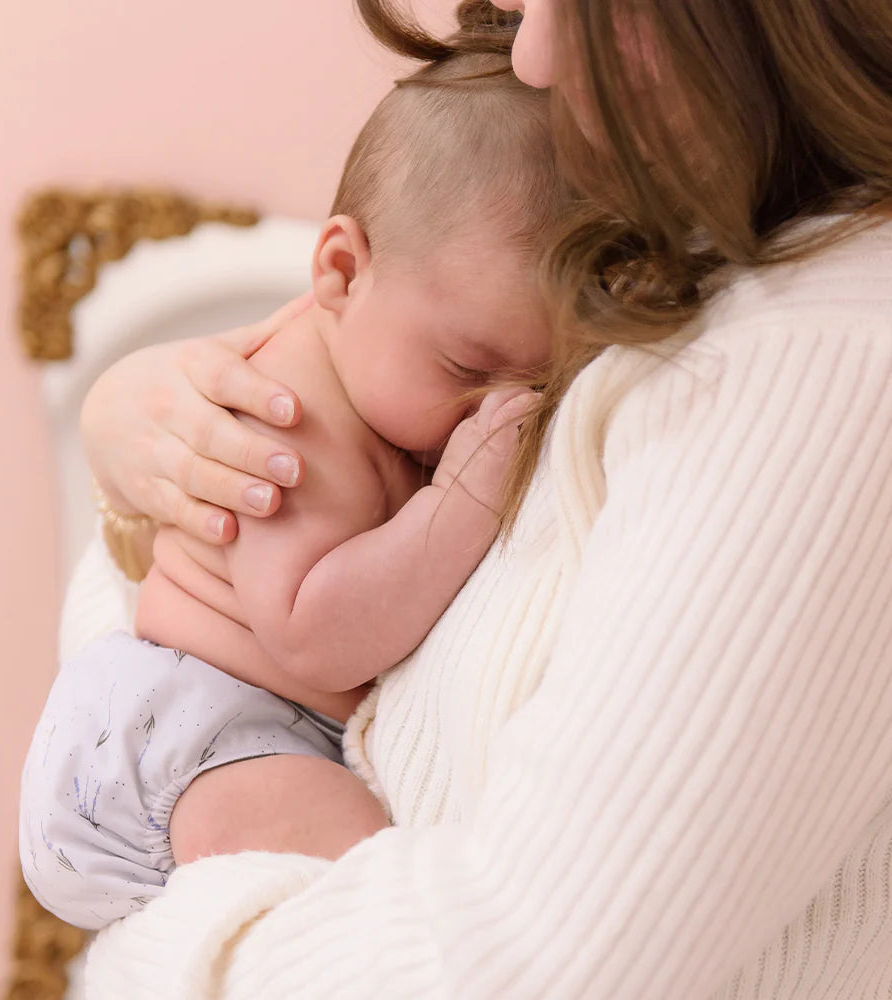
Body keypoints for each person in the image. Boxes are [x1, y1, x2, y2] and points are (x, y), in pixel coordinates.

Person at [51, 0, 892, 996]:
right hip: (202, 728)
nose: (529, 51)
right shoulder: (688, 239)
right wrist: (132, 438)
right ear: (339, 272)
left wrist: (146, 953)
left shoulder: (815, 360)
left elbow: (513, 963)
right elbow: (291, 621)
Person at [20, 45, 558, 928]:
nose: (494, 414)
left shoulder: (393, 388)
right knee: (371, 890)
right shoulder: (284, 416)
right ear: (340, 273)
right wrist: (457, 504)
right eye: (468, 366)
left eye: (534, 384)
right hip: (195, 733)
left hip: (240, 721)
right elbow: (312, 634)